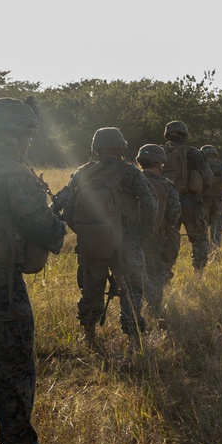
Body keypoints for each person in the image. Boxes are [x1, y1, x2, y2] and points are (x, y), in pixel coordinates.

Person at [0, 98, 66, 444]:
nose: (30, 141)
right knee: (13, 374)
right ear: (16, 134)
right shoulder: (14, 174)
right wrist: (58, 223)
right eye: (28, 133)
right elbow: (44, 229)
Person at [60, 127, 157, 348]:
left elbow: (68, 208)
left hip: (92, 239)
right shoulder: (131, 172)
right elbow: (150, 203)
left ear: (97, 147)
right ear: (119, 147)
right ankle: (134, 339)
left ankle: (89, 335)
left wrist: (86, 231)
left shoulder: (81, 172)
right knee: (132, 288)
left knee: (91, 287)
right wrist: (142, 232)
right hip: (127, 239)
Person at [161, 121, 213, 271]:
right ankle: (199, 272)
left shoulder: (159, 152)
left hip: (168, 203)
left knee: (167, 239)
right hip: (191, 202)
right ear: (185, 135)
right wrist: (199, 192)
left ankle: (165, 273)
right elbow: (208, 178)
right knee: (199, 239)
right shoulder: (194, 153)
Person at [135, 144, 181, 314]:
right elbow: (174, 214)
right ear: (160, 163)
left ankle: (133, 312)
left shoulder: (130, 180)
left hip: (128, 238)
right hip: (155, 238)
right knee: (155, 275)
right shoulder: (166, 184)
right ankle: (153, 314)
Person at [201, 144, 222, 250]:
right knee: (216, 227)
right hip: (218, 201)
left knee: (203, 227)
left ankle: (204, 250)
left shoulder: (201, 165)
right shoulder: (220, 165)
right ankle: (215, 250)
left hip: (203, 200)